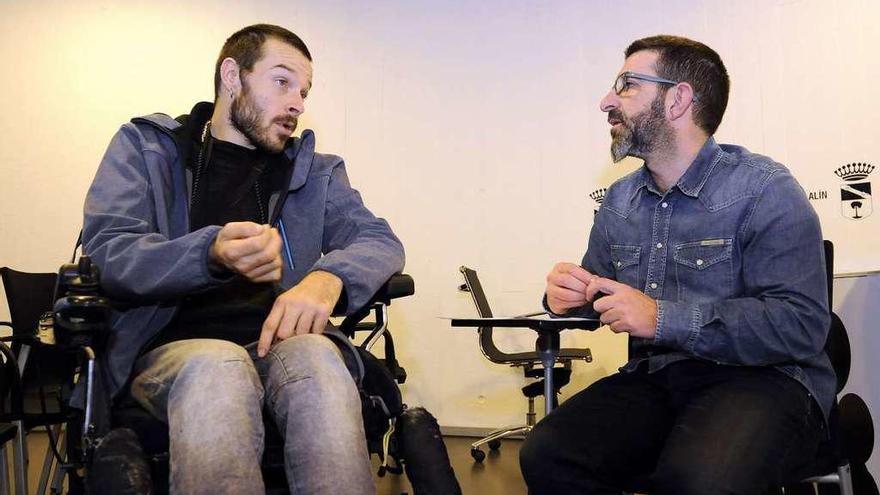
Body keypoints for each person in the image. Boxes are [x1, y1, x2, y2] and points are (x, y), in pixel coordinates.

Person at [82, 24, 404, 495]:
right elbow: (111, 252)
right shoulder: (146, 148)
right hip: (172, 352)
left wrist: (328, 278)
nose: (297, 102)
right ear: (232, 75)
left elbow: (379, 239)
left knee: (319, 357)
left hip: (280, 344)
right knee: (220, 366)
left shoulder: (316, 172)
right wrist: (209, 252)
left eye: (304, 91)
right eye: (282, 81)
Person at [519, 35, 833, 494]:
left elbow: (801, 325)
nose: (606, 101)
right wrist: (563, 296)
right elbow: (594, 296)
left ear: (678, 99)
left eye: (626, 85)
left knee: (701, 481)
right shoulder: (619, 201)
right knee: (547, 454)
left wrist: (662, 317)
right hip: (661, 376)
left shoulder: (765, 190)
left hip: (764, 378)